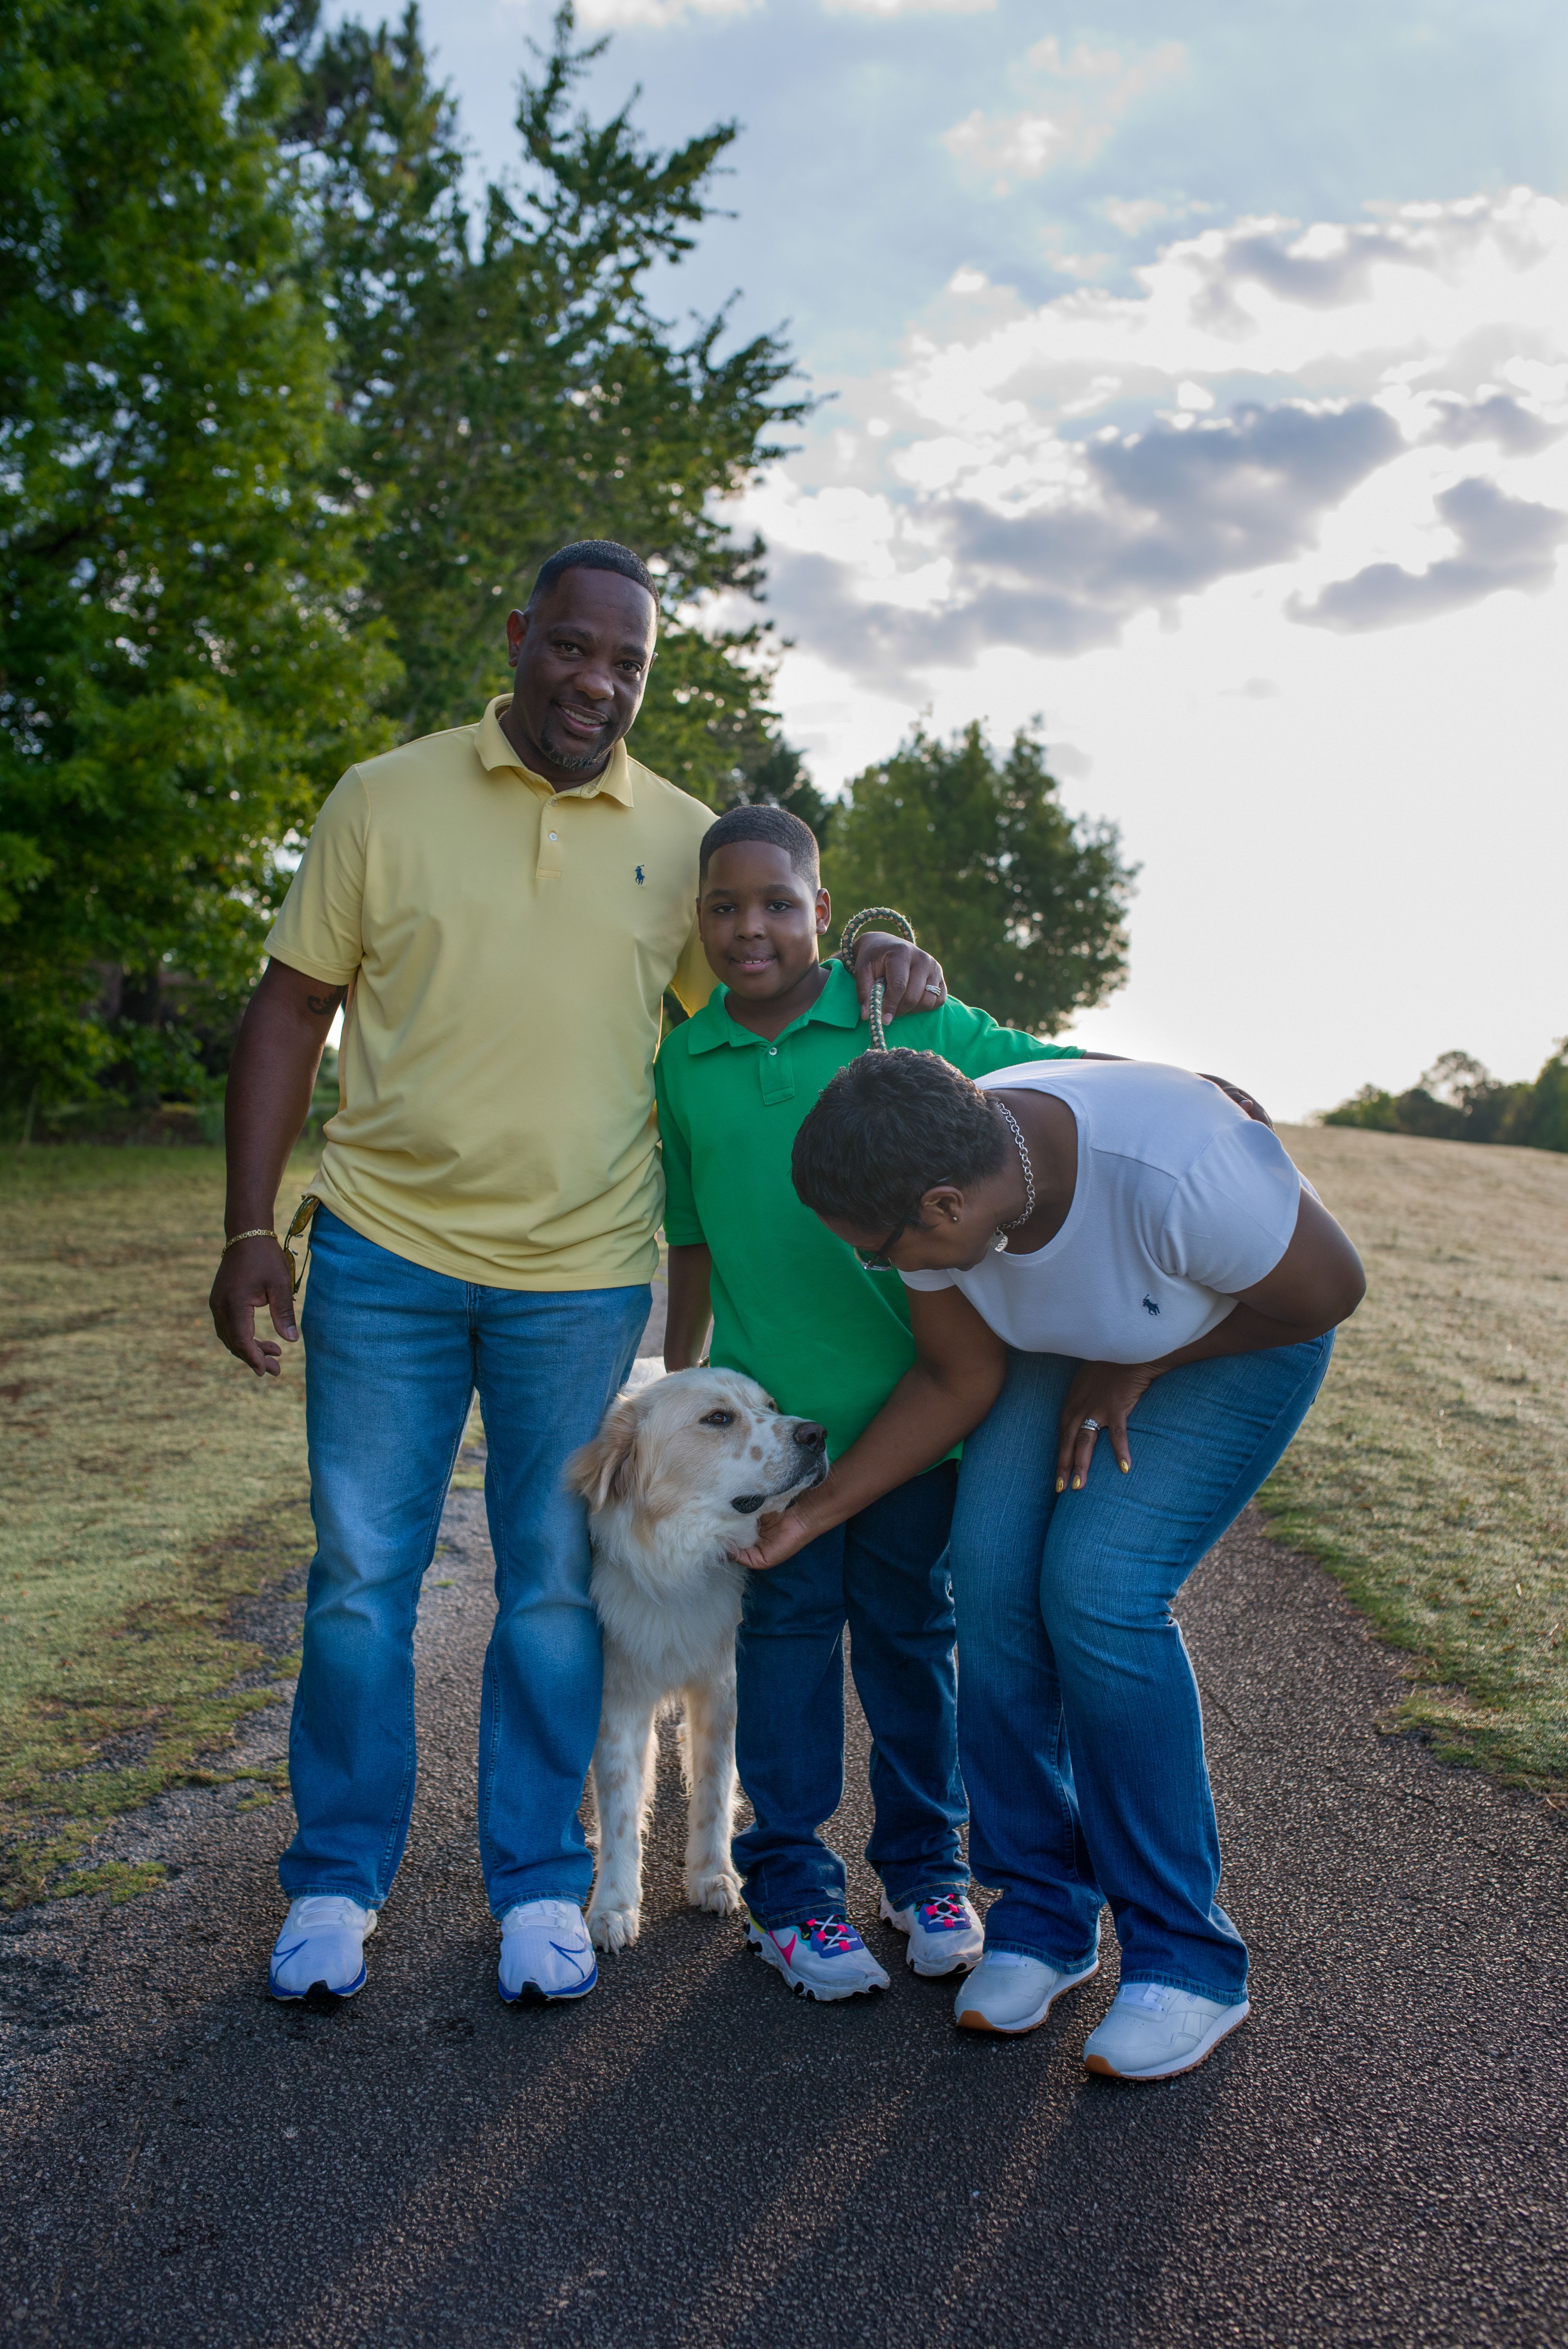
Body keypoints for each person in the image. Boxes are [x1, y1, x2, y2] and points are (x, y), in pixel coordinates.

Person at [207, 540, 939, 2009]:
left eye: (629, 664)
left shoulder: (676, 838)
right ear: (521, 632)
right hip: (385, 1253)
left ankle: (541, 1885)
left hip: (580, 1275)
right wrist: (244, 1229)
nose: (597, 682)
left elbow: (763, 965)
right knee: (360, 1582)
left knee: (549, 1588)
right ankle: (338, 1882)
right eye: (574, 648)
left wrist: (877, 955)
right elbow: (292, 1007)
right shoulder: (384, 797)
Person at [739, 1047, 1365, 2079]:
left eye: (882, 1253)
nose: (881, 1269)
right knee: (986, 1576)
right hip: (1076, 1335)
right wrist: (813, 1514)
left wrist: (1147, 1360)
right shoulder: (951, 1196)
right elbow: (956, 1376)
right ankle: (1043, 1915)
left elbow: (1329, 1291)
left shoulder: (1182, 1176)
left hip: (1240, 1334)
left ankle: (1186, 1962)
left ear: (944, 1208)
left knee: (1101, 1593)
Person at [655, 804, 1091, 2000]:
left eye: (779, 905)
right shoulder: (679, 1064)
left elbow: (1068, 1090)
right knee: (786, 1652)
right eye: (725, 908)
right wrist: (671, 1397)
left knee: (912, 1642)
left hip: (918, 1427)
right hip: (771, 1446)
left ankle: (923, 1870)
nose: (752, 929)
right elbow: (691, 1247)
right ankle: (788, 1892)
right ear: (696, 922)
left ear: (824, 914)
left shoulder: (910, 1019)